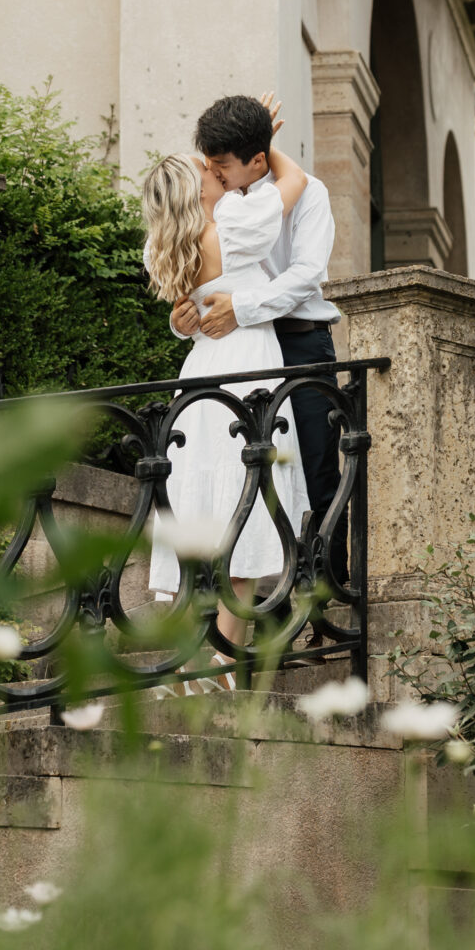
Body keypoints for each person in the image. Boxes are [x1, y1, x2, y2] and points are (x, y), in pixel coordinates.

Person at [173, 93, 348, 584]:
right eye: (210, 165)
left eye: (223, 166)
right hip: (239, 351)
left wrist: (242, 309)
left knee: (314, 473)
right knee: (248, 475)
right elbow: (190, 273)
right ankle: (269, 609)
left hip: (300, 345)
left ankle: (326, 607)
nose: (216, 175)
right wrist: (184, 317)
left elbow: (306, 275)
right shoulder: (217, 200)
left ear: (256, 160)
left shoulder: (307, 193)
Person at [139, 141, 311, 644]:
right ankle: (225, 661)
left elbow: (187, 317)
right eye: (206, 167)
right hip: (247, 365)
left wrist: (178, 323)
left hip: (200, 375)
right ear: (198, 190)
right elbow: (295, 180)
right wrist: (262, 145)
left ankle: (193, 665)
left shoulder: (161, 248)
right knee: (245, 504)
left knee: (202, 507)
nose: (215, 168)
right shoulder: (233, 225)